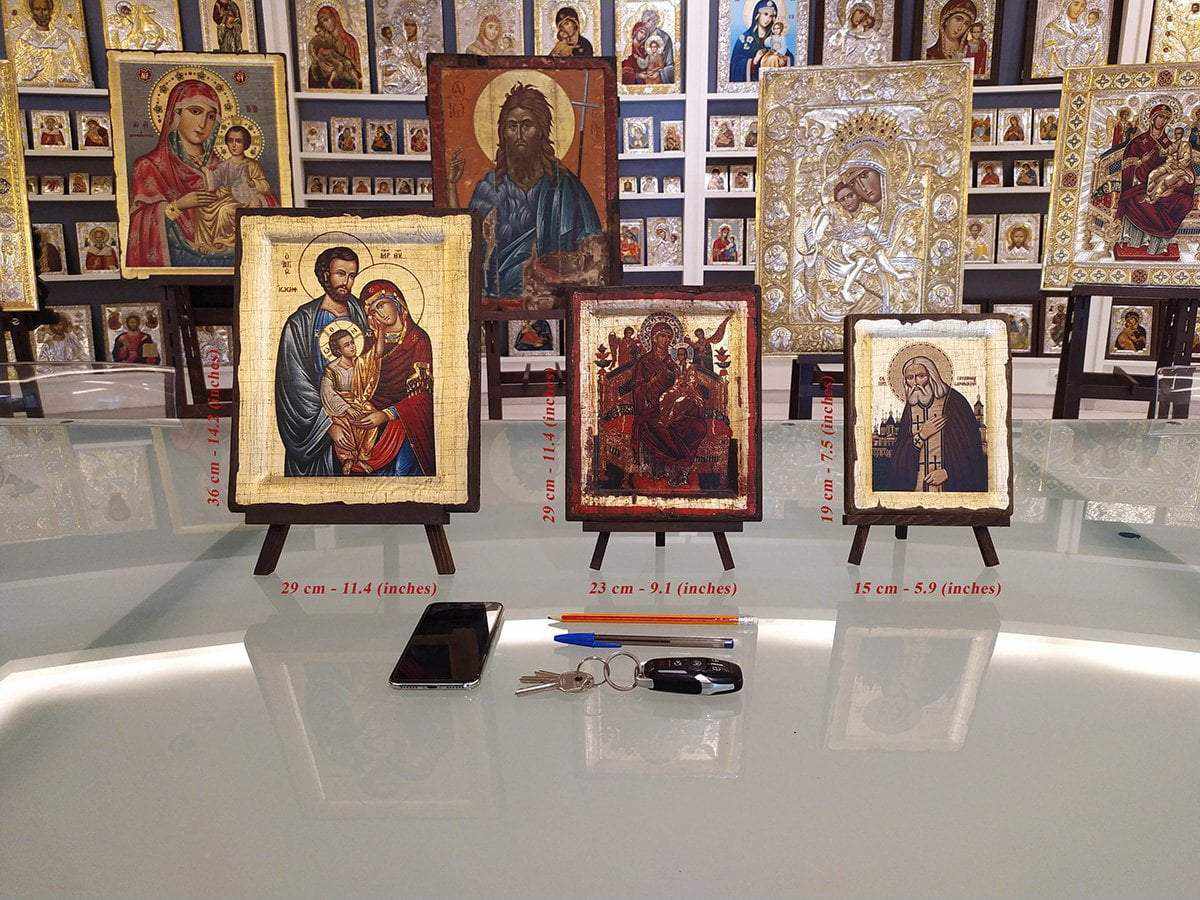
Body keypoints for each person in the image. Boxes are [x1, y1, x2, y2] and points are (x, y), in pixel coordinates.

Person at [447, 81, 603, 301]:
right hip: (498, 302)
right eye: (512, 126)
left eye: (527, 125)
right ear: (502, 133)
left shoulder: (564, 186)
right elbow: (466, 242)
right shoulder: (490, 187)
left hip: (550, 300)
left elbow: (593, 250)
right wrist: (451, 186)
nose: (519, 134)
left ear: (541, 131)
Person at [126, 79, 269, 269]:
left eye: (211, 116)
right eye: (195, 111)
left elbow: (267, 202)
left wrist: (252, 197)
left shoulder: (223, 165)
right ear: (176, 114)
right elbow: (139, 222)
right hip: (179, 266)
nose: (202, 123)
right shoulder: (149, 166)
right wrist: (178, 205)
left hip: (234, 261)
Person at [275, 246, 372, 476]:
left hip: (359, 415)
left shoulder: (362, 313)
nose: (346, 282)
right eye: (340, 274)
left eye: (352, 276)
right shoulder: (300, 322)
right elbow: (293, 382)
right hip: (318, 425)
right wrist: (328, 425)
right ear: (325, 275)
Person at [353, 280, 437, 477]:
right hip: (369, 413)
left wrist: (386, 414)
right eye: (373, 311)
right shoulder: (370, 344)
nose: (380, 314)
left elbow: (424, 396)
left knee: (401, 469)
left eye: (382, 304)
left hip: (404, 418)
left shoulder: (418, 340)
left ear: (396, 301)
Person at [885, 356, 987, 492]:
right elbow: (898, 457)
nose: (915, 383)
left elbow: (973, 451)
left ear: (932, 376)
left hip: (949, 489)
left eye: (921, 376)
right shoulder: (909, 409)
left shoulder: (954, 402)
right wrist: (921, 435)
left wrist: (948, 472)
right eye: (910, 378)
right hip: (917, 489)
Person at [1115, 103, 1194, 259]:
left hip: (1164, 185)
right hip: (1140, 186)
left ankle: (1158, 245)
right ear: (1152, 118)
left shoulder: (1169, 142)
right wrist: (1141, 162)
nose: (1162, 121)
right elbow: (1128, 167)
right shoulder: (1138, 142)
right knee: (1141, 202)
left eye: (1166, 118)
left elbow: (1182, 163)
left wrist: (1178, 183)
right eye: (1160, 117)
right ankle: (1140, 243)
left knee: (1183, 201)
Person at [195, 123, 277, 255]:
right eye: (230, 141)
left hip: (246, 200)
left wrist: (252, 182)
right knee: (203, 208)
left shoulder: (252, 165)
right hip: (228, 198)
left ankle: (223, 242)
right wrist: (205, 170)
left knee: (224, 210)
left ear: (245, 144)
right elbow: (212, 186)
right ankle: (206, 244)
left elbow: (265, 186)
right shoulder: (224, 165)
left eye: (238, 141)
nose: (234, 145)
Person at [319, 328, 380, 474]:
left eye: (352, 342)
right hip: (339, 406)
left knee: (372, 417)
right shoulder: (332, 369)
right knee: (344, 423)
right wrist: (347, 408)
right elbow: (327, 392)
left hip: (358, 401)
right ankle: (348, 458)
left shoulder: (361, 363)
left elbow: (376, 356)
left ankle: (363, 456)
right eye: (347, 345)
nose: (352, 347)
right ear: (338, 350)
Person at [8, 0, 92, 87]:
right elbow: (18, 71)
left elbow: (79, 70)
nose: (41, 13)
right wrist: (32, 71)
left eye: (45, 9)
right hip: (32, 90)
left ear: (51, 11)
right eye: (37, 9)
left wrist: (83, 82)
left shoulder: (64, 38)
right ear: (31, 11)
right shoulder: (24, 39)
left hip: (66, 89)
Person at [730, 0, 792, 82]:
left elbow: (789, 58)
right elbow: (735, 65)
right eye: (765, 14)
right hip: (752, 86)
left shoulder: (775, 38)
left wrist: (779, 59)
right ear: (757, 15)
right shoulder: (744, 39)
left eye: (771, 16)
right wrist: (754, 61)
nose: (768, 19)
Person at [307, 5, 362, 90]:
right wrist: (320, 64)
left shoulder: (349, 40)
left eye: (326, 20)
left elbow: (357, 67)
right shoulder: (321, 41)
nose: (325, 24)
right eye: (322, 23)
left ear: (335, 18)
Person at [1146, 126, 1196, 201]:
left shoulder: (1186, 145)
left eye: (1178, 133)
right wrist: (1160, 149)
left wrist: (1174, 163)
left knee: (1165, 181)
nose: (1176, 135)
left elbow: (1186, 160)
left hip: (1180, 169)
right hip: (1168, 166)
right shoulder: (1173, 144)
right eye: (1175, 133)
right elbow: (1165, 152)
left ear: (1182, 134)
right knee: (1152, 175)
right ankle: (1148, 194)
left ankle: (1154, 199)